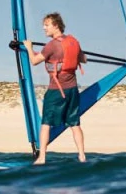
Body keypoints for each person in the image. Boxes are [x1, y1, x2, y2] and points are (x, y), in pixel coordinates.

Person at [23, 12, 86, 165]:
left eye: (47, 25)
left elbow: (34, 61)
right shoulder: (73, 41)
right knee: (75, 124)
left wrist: (29, 48)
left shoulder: (51, 45)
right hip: (73, 90)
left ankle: (42, 158)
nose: (44, 28)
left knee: (45, 123)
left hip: (56, 91)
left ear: (56, 25)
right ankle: (82, 156)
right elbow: (83, 59)